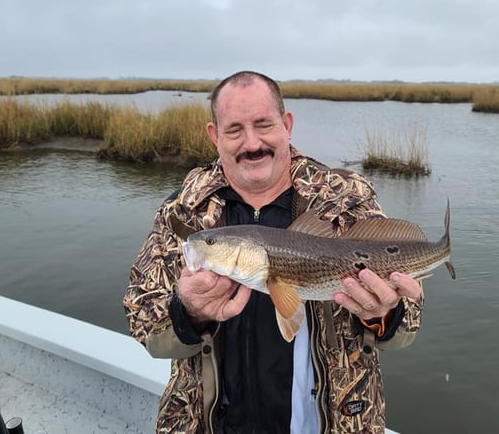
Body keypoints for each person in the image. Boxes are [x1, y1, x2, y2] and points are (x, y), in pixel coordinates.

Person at [124, 70, 424, 433]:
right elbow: (142, 320)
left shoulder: (346, 198)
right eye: (234, 130)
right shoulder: (184, 212)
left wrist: (383, 314)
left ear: (287, 124)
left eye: (263, 125)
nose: (252, 144)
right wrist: (189, 313)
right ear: (214, 136)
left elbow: (408, 317)